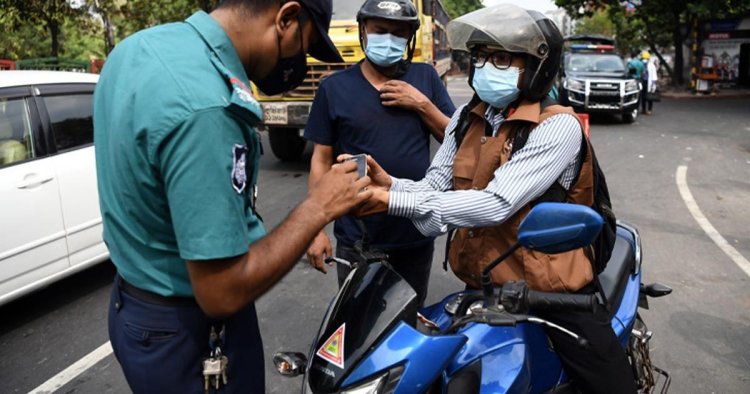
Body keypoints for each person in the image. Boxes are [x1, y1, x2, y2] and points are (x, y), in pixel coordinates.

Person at [354, 5, 637, 393]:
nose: (487, 67)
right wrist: (391, 187)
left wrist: (392, 201)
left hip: (551, 292)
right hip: (485, 286)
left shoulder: (558, 128)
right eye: (482, 57)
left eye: (502, 59)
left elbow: (496, 204)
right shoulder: (466, 119)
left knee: (612, 385)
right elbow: (435, 192)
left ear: (537, 66)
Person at [93, 1, 372, 392]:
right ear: (286, 18)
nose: (301, 63)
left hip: (134, 305)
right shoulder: (208, 106)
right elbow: (221, 292)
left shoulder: (138, 49)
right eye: (303, 47)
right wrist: (318, 208)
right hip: (189, 335)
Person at [304, 0, 455, 306]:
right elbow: (321, 161)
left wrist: (422, 104)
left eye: (399, 33)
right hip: (359, 238)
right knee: (357, 329)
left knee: (408, 323)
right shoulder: (334, 88)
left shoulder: (425, 78)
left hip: (414, 230)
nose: (389, 40)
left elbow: (457, 141)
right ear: (364, 32)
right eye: (380, 31)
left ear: (410, 39)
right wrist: (314, 229)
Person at [640, 51, 657, 115]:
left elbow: (654, 75)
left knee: (650, 96)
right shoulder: (642, 65)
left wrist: (653, 83)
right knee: (643, 96)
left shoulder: (651, 65)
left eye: (645, 58)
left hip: (649, 82)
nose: (644, 60)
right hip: (643, 82)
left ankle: (649, 109)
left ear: (648, 58)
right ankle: (643, 109)